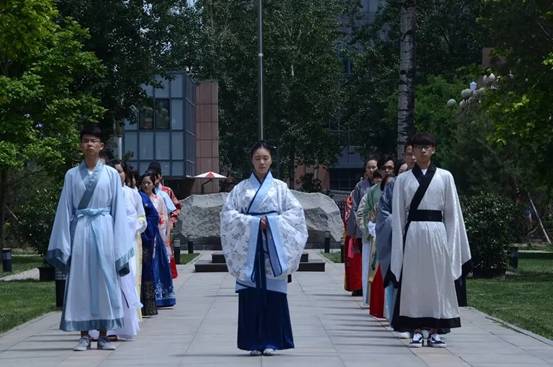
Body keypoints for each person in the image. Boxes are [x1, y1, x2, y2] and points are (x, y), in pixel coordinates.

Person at [47, 125, 133, 351]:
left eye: (94, 141)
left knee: (106, 281)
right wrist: (63, 244)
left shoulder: (112, 175)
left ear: (101, 146)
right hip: (82, 230)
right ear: (80, 145)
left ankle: (104, 335)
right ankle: (84, 335)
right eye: (85, 140)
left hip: (105, 229)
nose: (89, 144)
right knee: (81, 281)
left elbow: (118, 210)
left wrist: (119, 243)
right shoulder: (72, 175)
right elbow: (65, 209)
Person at [220, 142, 308, 356]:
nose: (261, 162)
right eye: (258, 158)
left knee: (274, 297)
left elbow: (296, 214)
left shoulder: (280, 188)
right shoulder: (241, 189)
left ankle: (272, 341)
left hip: (273, 248)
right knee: (251, 296)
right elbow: (228, 216)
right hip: (249, 250)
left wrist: (272, 223)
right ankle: (252, 342)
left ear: (271, 160)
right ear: (252, 160)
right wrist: (252, 223)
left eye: (265, 158)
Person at [390, 133, 471, 348]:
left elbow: (453, 214)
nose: (423, 151)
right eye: (418, 147)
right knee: (414, 280)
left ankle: (436, 329)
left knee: (438, 281)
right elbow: (398, 216)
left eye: (427, 147)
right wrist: (397, 249)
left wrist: (454, 245)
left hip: (437, 233)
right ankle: (415, 329)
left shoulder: (445, 177)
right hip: (414, 234)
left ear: (433, 149)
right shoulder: (403, 180)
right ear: (413, 151)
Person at [375, 143, 414, 338]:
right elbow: (383, 214)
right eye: (409, 153)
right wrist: (399, 225)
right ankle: (397, 319)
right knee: (396, 278)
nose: (413, 157)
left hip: (419, 239)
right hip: (397, 238)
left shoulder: (433, 181)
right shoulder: (394, 184)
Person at [140, 171, 176, 308]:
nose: (146, 185)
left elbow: (164, 218)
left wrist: (163, 234)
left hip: (156, 235)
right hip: (143, 236)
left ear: (153, 183)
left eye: (148, 183)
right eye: (143, 183)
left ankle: (161, 295)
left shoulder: (158, 199)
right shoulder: (139, 198)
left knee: (157, 265)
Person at [345, 158, 378, 296]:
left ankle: (375, 288)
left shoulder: (383, 185)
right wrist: (354, 230)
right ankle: (362, 286)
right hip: (363, 228)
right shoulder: (360, 186)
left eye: (374, 167)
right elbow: (355, 209)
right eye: (369, 167)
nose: (372, 170)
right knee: (363, 259)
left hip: (378, 226)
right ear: (365, 170)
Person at [148, 161, 180, 279]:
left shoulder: (167, 191)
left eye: (156, 176)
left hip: (164, 227)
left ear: (160, 177)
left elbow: (176, 208)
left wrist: (171, 223)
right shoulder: (145, 191)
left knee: (165, 252)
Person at [356, 170, 383, 307]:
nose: (378, 181)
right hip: (371, 237)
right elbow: (361, 213)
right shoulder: (369, 194)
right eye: (376, 178)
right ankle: (369, 297)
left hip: (387, 235)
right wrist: (368, 227)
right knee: (369, 266)